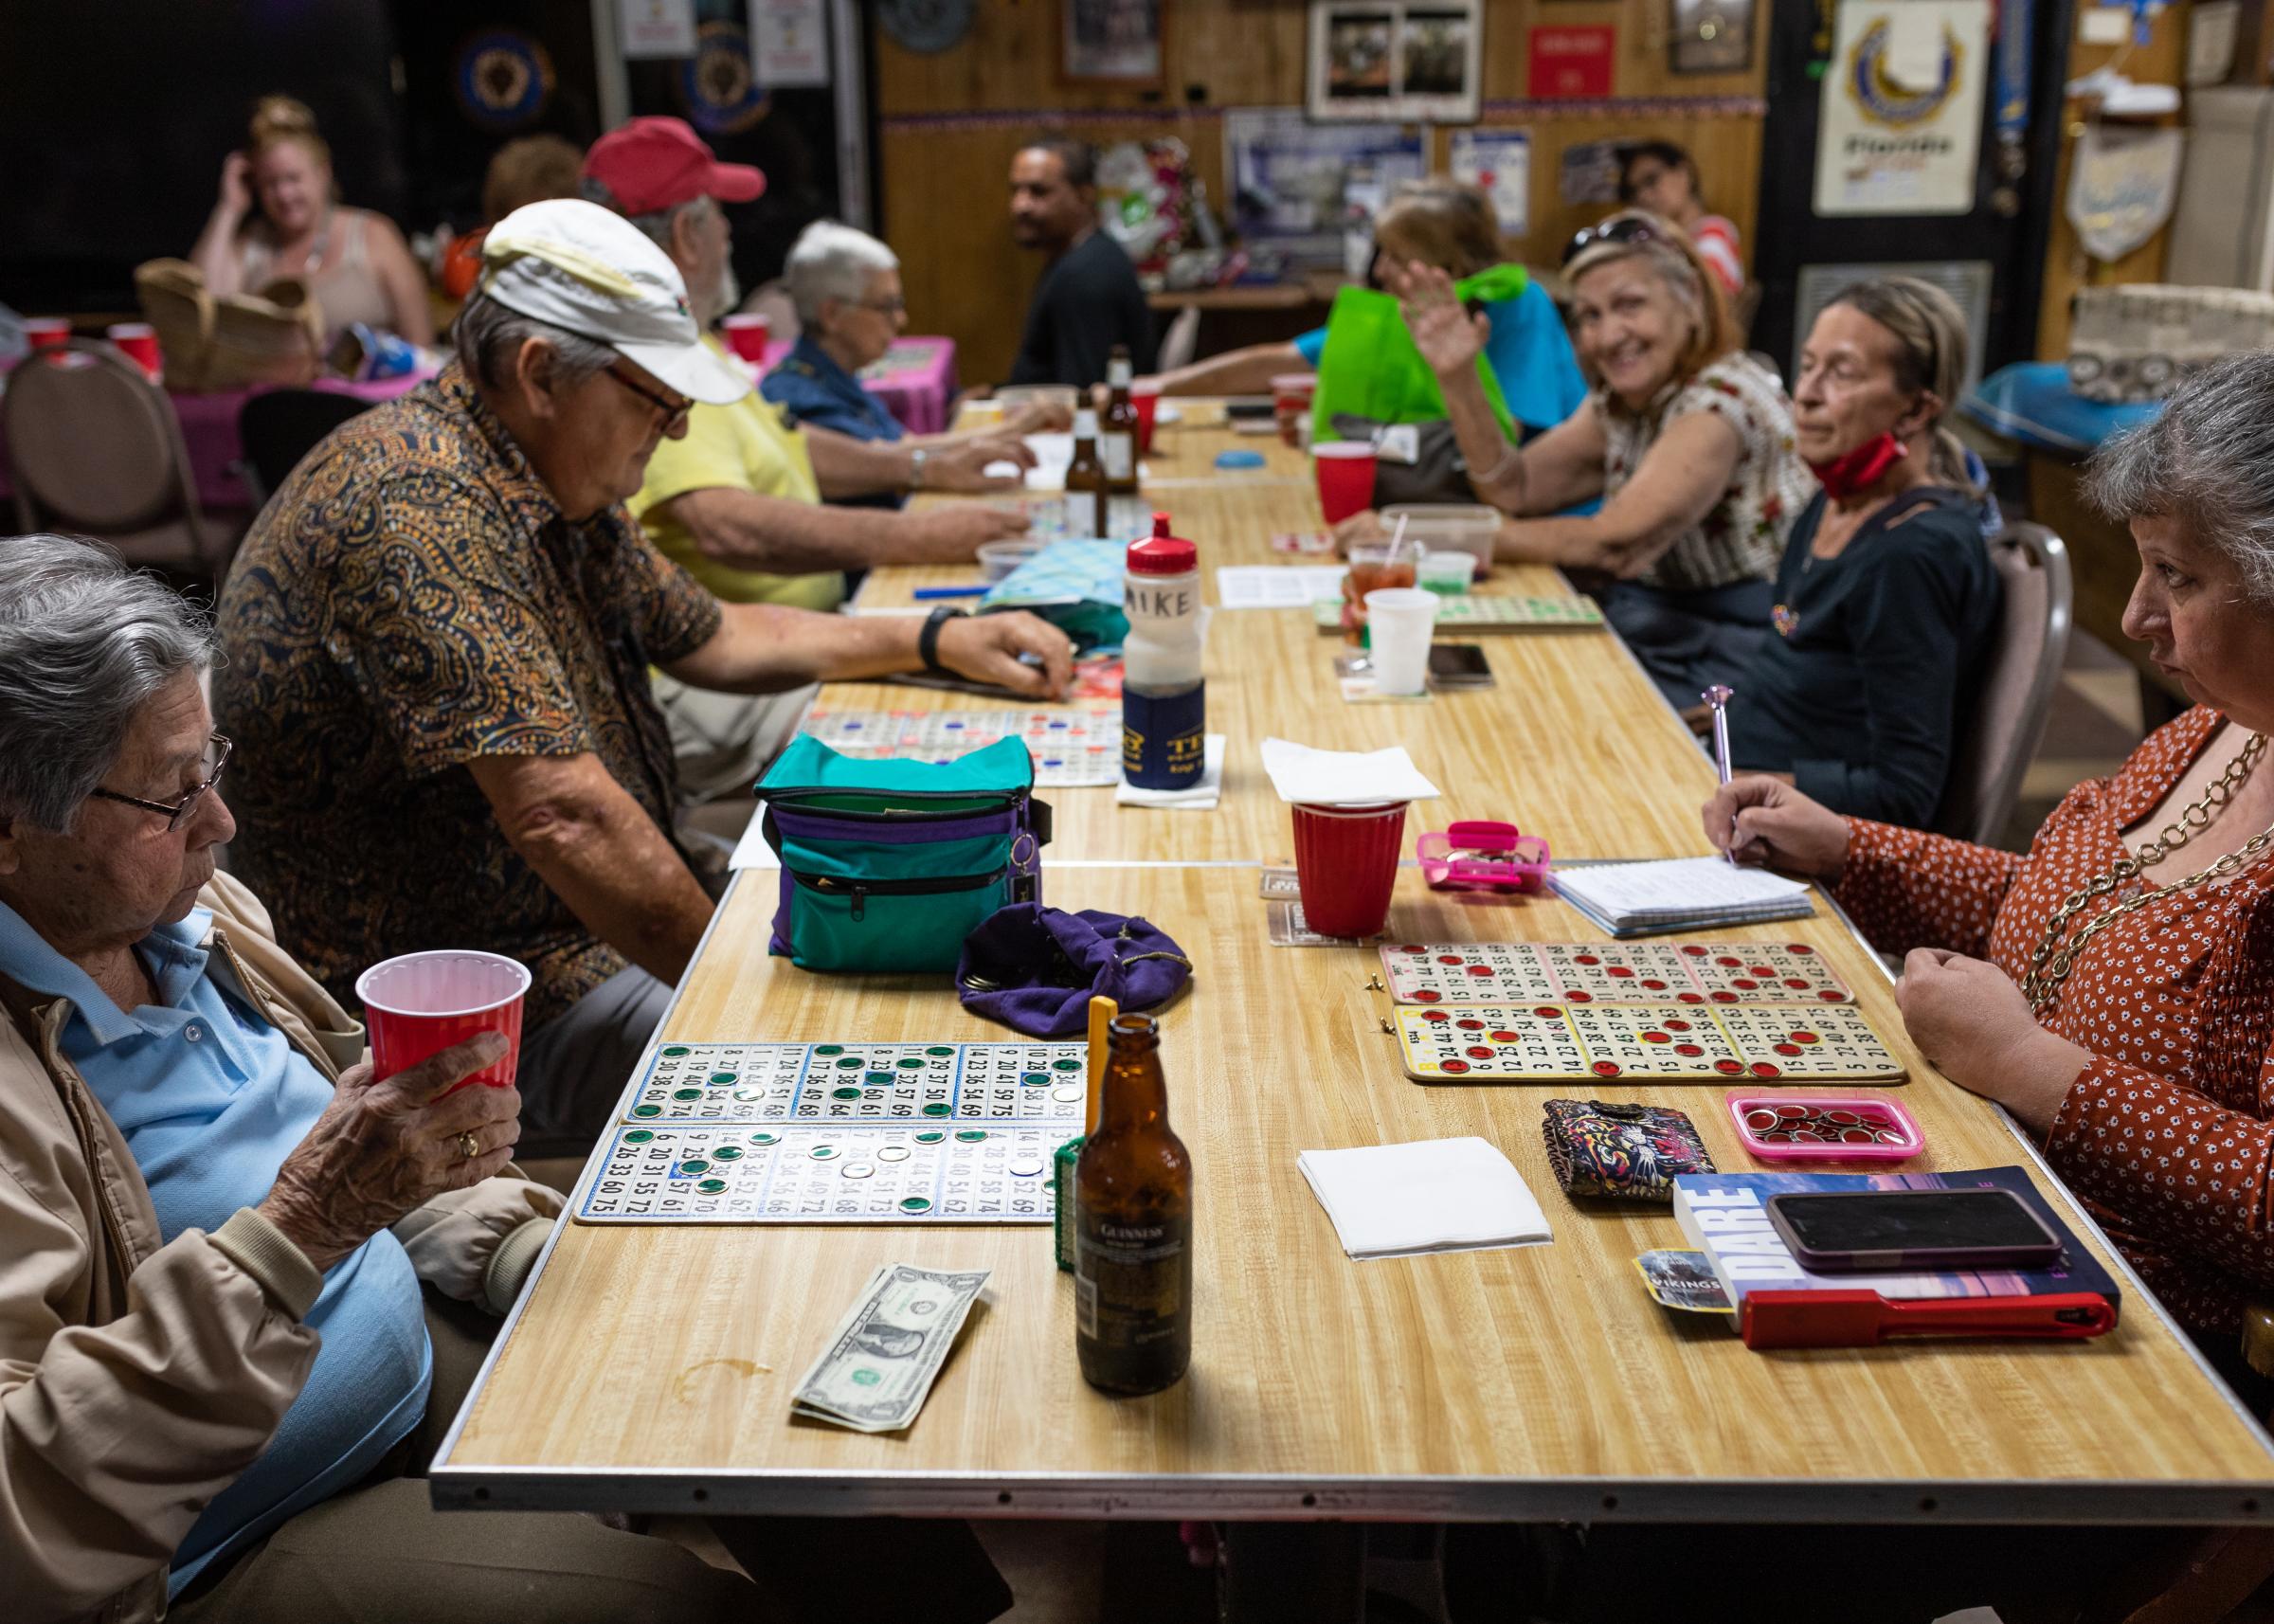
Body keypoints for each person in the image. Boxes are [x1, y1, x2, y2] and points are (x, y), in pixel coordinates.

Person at [0, 532, 792, 1624]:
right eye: (172, 799)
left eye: (210, 769)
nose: (221, 826)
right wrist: (306, 1226)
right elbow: (20, 1515)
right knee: (673, 1607)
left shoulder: (185, 916)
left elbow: (335, 1144)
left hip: (397, 1338)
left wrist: (498, 1237)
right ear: (9, 831)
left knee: (734, 1356)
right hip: (218, 1540)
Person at [213, 199, 1074, 1146]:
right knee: (870, 1092)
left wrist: (934, 638)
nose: (671, 435)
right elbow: (563, 816)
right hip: (477, 1021)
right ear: (541, 374)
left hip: (567, 940)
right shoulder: (417, 507)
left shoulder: (536, 468)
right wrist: (750, 999)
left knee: (928, 975)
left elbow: (713, 634)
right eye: (657, 402)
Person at [1704, 349, 2274, 1377]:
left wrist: (2029, 1065)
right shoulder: (2221, 730)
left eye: (2178, 576)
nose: (2135, 616)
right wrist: (1851, 844)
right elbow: (2075, 912)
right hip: (1992, 1204)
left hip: (2130, 1343)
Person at [576, 128, 1047, 802]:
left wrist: (924, 466)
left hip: (782, 642)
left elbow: (788, 447)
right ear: (686, 232)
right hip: (719, 675)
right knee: (939, 735)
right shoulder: (653, 355)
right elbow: (725, 526)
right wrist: (922, 536)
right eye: (720, 216)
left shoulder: (693, 338)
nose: (732, 236)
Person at [1377, 210, 1812, 707]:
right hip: (1668, 627)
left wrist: (1413, 536)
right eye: (1590, 316)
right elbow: (1514, 488)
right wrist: (1458, 375)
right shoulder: (1629, 401)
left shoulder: (1720, 402)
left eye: (1629, 305)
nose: (1607, 336)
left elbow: (1611, 547)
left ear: (1690, 299)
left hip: (1745, 649)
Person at [1720, 278, 2002, 826]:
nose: (1806, 394)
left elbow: (1905, 794)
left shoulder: (1913, 554)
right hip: (1741, 775)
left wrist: (1741, 790)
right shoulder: (1830, 505)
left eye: (1842, 373)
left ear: (1916, 410)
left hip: (1792, 833)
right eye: (1807, 366)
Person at [1145, 178, 1585, 441]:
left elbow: (1510, 431)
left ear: (1449, 266)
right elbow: (1275, 362)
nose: (1380, 270)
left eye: (1395, 256)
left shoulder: (1518, 304)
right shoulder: (1403, 309)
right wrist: (1145, 391)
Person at [762, 219, 1069, 450]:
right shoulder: (797, 399)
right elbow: (895, 462)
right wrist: (1012, 429)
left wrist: (1013, 428)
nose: (901, 320)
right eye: (887, 306)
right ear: (832, 315)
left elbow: (906, 447)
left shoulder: (834, 375)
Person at [190, 95, 434, 346]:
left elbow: (421, 344)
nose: (284, 194)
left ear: (323, 172)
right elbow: (199, 316)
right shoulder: (254, 241)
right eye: (270, 183)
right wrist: (229, 208)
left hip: (370, 383)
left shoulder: (374, 234)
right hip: (273, 385)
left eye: (293, 178)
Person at [1006, 138, 1157, 387]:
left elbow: (1086, 397)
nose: (1020, 205)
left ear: (1084, 196)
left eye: (1038, 191)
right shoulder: (1081, 255)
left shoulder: (1085, 276)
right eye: (1015, 191)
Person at [1617, 138, 1744, 299]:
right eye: (1633, 191)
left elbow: (1704, 298)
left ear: (1683, 173)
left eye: (1650, 180)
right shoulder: (1663, 241)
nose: (1643, 196)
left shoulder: (1714, 230)